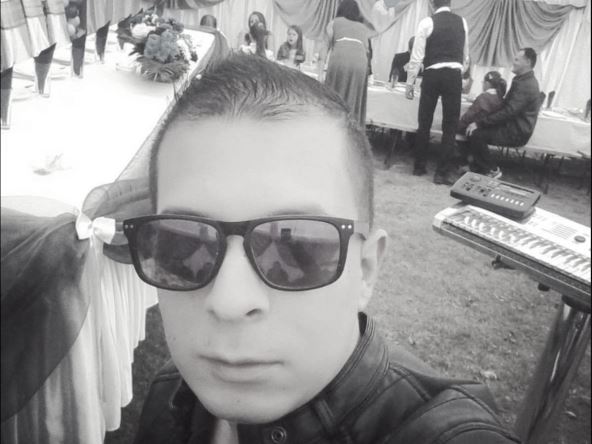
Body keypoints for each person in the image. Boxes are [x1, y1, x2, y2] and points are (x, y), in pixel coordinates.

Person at [126, 54, 520, 444]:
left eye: (295, 248)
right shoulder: (171, 394)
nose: (229, 301)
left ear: (366, 269)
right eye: (183, 244)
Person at [405, 0, 470, 185]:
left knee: (424, 121)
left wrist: (410, 84)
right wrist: (459, 72)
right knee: (450, 126)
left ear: (432, 4)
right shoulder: (462, 22)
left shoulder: (427, 22)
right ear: (450, 3)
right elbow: (466, 56)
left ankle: (419, 166)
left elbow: (416, 57)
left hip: (432, 73)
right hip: (453, 74)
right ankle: (441, 173)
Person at [466, 48, 542, 178]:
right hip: (512, 127)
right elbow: (507, 106)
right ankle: (478, 167)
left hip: (516, 132)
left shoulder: (526, 84)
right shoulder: (523, 80)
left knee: (476, 134)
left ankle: (492, 170)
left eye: (517, 60)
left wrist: (480, 123)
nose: (513, 62)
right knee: (475, 130)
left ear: (528, 62)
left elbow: (508, 111)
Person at [320, 0, 373, 126]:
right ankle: (352, 128)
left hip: (341, 56)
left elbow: (324, 47)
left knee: (335, 92)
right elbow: (368, 52)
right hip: (360, 62)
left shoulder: (334, 23)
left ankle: (332, 126)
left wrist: (320, 71)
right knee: (355, 97)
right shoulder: (363, 28)